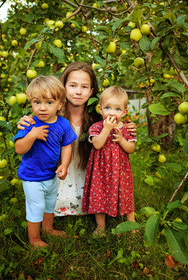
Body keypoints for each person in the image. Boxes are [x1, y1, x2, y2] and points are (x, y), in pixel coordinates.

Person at [17, 62, 137, 218]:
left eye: (85, 87)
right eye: (72, 86)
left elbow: (116, 116)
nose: (78, 92)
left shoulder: (97, 119)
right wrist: (25, 121)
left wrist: (127, 126)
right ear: (63, 87)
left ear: (92, 91)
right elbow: (35, 120)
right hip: (59, 173)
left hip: (89, 175)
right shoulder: (51, 116)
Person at [14, 76, 77, 248]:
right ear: (31, 103)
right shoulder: (29, 123)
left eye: (49, 102)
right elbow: (19, 149)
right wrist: (32, 135)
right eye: (37, 102)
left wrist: (64, 165)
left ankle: (48, 229)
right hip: (32, 176)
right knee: (36, 206)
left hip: (51, 175)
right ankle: (34, 240)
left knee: (50, 204)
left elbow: (66, 146)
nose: (42, 108)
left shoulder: (63, 124)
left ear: (60, 104)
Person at [82, 86, 136, 236]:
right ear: (100, 109)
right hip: (101, 170)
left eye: (117, 109)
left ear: (125, 112)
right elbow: (97, 144)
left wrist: (121, 140)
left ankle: (131, 222)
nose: (112, 113)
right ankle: (101, 226)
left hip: (121, 171)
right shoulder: (96, 127)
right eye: (107, 108)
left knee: (125, 194)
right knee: (100, 195)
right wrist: (106, 129)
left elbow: (131, 148)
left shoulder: (126, 129)